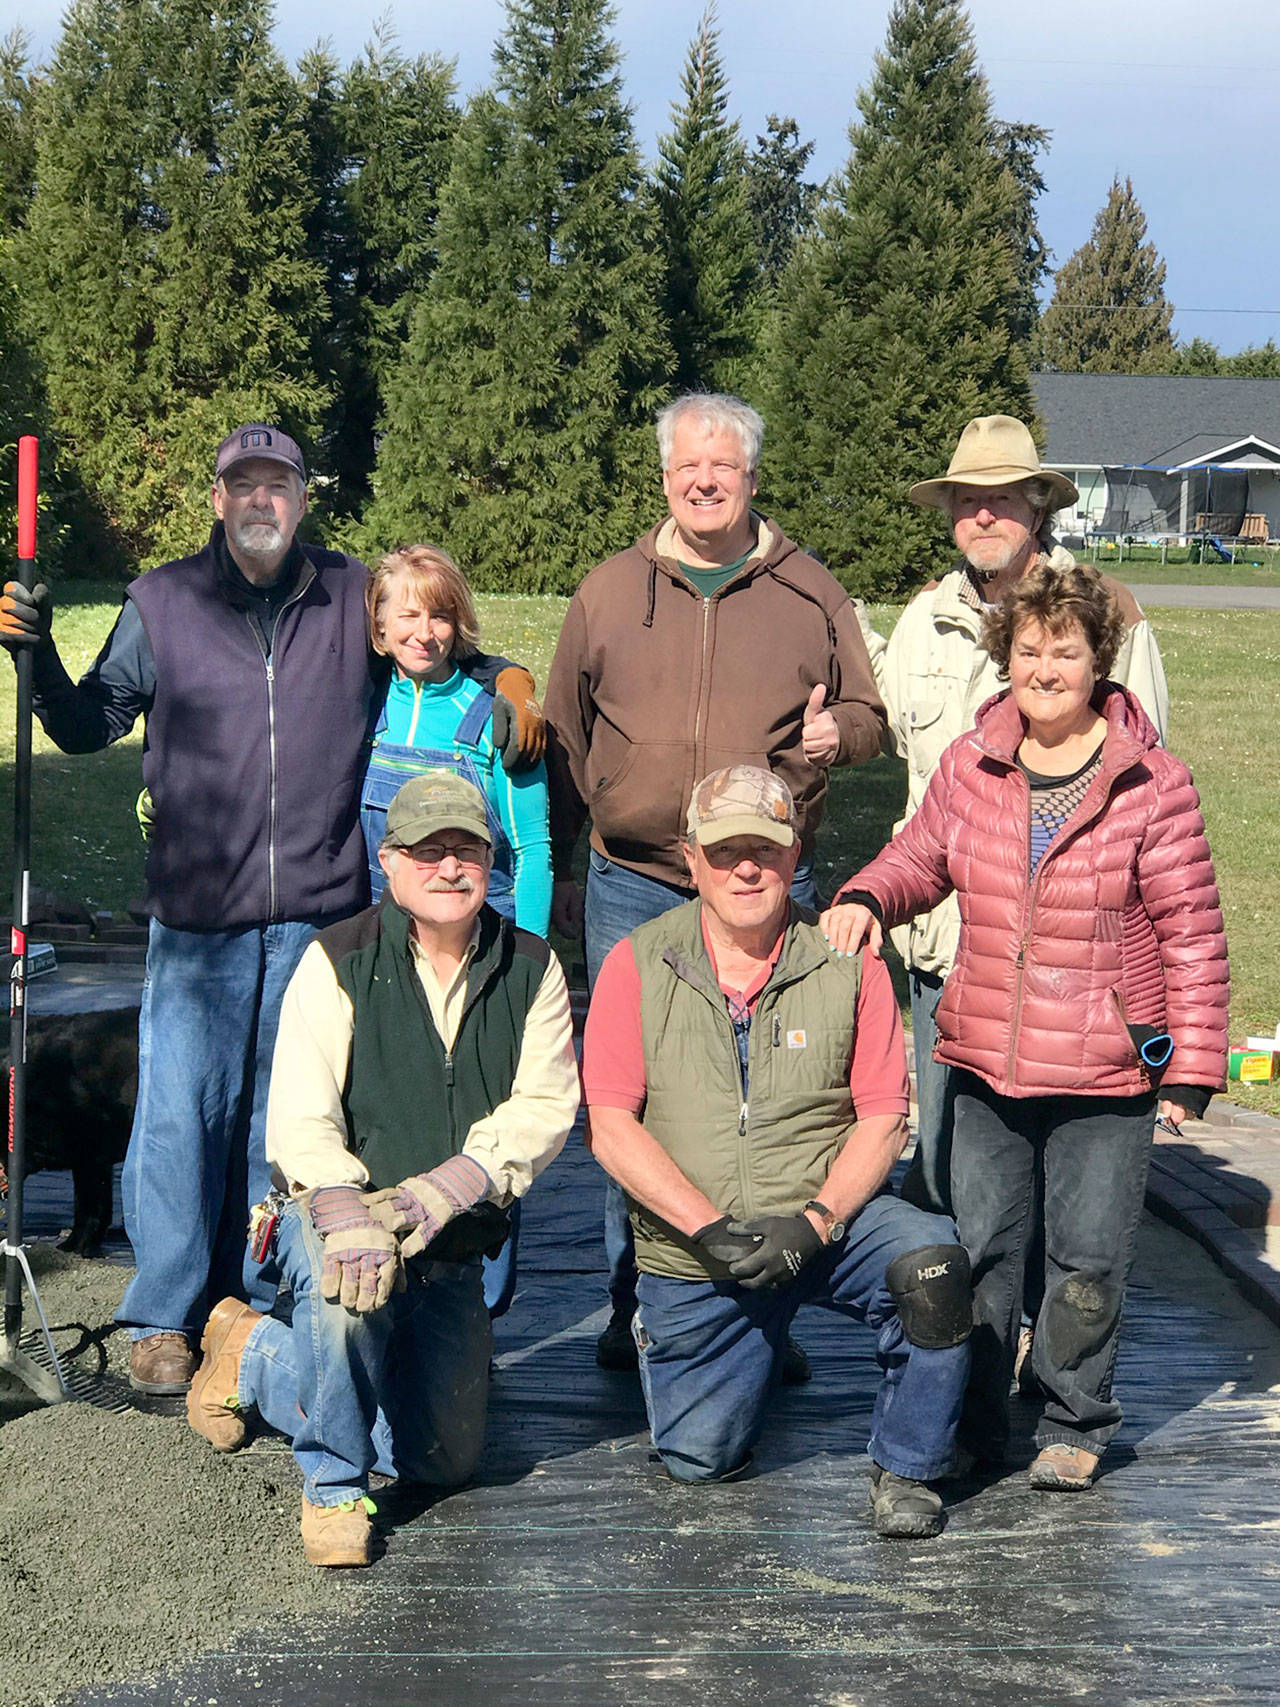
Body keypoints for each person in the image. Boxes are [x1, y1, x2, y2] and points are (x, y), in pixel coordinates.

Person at [0, 423, 544, 1396]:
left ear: (300, 499)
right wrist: (34, 660)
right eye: (241, 486)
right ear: (220, 500)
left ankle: (249, 1299)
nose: (260, 502)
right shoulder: (161, 603)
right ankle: (164, 1313)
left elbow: (429, 644)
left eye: (278, 485)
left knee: (281, 1120)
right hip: (197, 910)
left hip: (314, 911)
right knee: (176, 1115)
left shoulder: (344, 596)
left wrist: (509, 679)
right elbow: (89, 726)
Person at [821, 561, 1227, 1491]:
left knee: (1085, 1258)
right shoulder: (974, 763)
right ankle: (971, 1424)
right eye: (1030, 649)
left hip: (1105, 1069)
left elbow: (1192, 931)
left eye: (1067, 650)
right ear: (1007, 656)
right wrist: (866, 897)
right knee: (984, 1253)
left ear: (1099, 661)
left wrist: (1192, 1067)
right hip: (986, 1057)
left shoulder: (1152, 782)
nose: (1045, 667)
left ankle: (1074, 1413)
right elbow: (918, 855)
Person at [545, 392, 887, 1371]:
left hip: (763, 887)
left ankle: (760, 1312)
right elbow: (566, 738)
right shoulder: (606, 592)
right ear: (663, 478)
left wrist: (838, 734)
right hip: (633, 885)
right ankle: (637, 1307)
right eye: (687, 467)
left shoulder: (809, 592)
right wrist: (569, 863)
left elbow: (866, 714)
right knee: (636, 1107)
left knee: (768, 1102)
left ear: (749, 478)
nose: (704, 481)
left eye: (723, 468)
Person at [185, 771, 579, 1568]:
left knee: (441, 1459)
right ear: (390, 863)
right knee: (345, 1294)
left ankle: (253, 1347)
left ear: (490, 859)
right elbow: (300, 1113)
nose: (449, 867)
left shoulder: (533, 969)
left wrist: (446, 1189)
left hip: (449, 1238)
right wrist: (349, 1209)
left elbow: (544, 1105)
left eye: (466, 848)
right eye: (427, 850)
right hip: (335, 1211)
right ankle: (332, 1486)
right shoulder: (335, 959)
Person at [582, 765, 971, 1538]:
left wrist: (818, 1220)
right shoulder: (636, 961)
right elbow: (610, 1127)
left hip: (825, 1222)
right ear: (690, 859)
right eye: (725, 851)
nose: (747, 867)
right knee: (701, 1457)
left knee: (933, 1264)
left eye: (767, 848)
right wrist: (707, 1228)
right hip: (701, 1247)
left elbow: (886, 1116)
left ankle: (910, 1464)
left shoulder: (847, 958)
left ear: (796, 857)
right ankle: (748, 1338)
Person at [857, 414, 1170, 1220]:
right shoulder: (927, 616)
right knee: (952, 1174)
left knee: (1062, 1204)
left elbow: (1150, 782)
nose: (983, 515)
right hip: (948, 952)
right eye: (967, 499)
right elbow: (902, 745)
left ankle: (1041, 1336)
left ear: (1039, 506)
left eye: (1002, 498)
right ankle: (967, 1344)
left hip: (1075, 970)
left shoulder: (1109, 612)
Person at [361, 545, 552, 1320]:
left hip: (478, 949)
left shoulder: (494, 715)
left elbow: (533, 846)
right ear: (377, 626)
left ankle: (479, 1315)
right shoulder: (363, 703)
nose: (425, 629)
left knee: (484, 1123)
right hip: (385, 953)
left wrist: (527, 964)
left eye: (440, 612)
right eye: (407, 612)